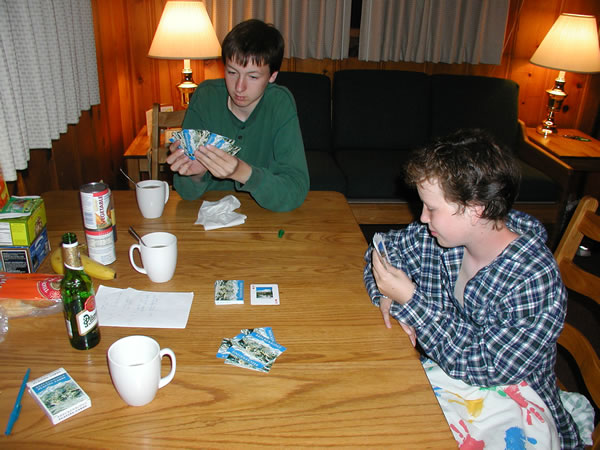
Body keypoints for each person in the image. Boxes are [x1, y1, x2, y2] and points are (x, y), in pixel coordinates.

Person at [363, 129, 583, 448]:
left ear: (475, 208)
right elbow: (382, 250)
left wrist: (410, 302)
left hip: (518, 403)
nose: (422, 218)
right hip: (452, 379)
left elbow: (485, 366)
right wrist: (386, 295)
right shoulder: (443, 239)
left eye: (432, 208)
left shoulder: (532, 278)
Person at [166, 19, 309, 212]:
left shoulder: (280, 104)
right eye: (232, 72)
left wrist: (242, 172)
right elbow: (186, 194)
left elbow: (295, 191)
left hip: (264, 215)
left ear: (272, 76)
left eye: (253, 76)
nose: (239, 87)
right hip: (207, 214)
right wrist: (195, 175)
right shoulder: (206, 96)